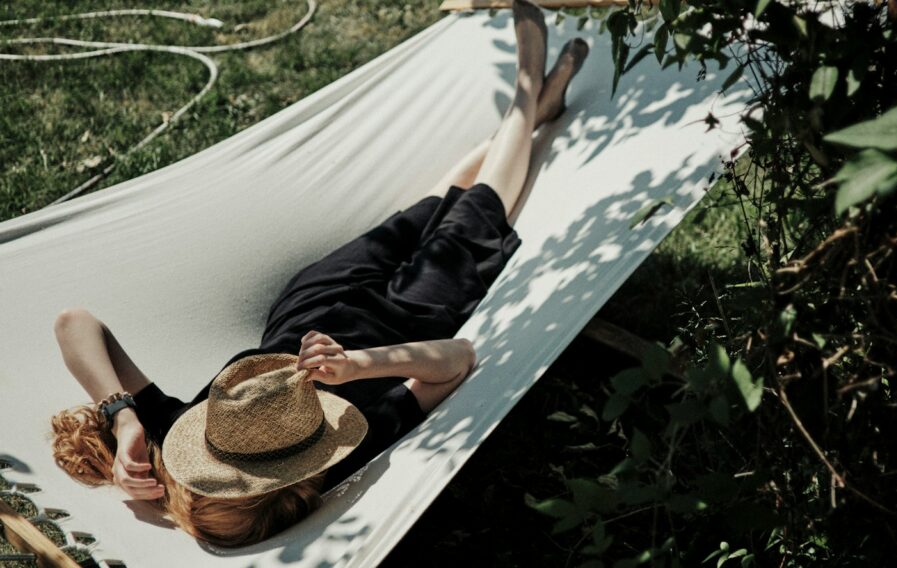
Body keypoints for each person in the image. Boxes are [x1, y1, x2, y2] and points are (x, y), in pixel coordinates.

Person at [48, 0, 590, 548]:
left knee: (422, 210)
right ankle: (528, 90)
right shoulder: (341, 451)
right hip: (404, 318)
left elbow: (74, 323)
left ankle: (535, 110)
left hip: (308, 309)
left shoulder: (189, 458)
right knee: (476, 213)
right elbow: (457, 360)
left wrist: (124, 418)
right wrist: (356, 366)